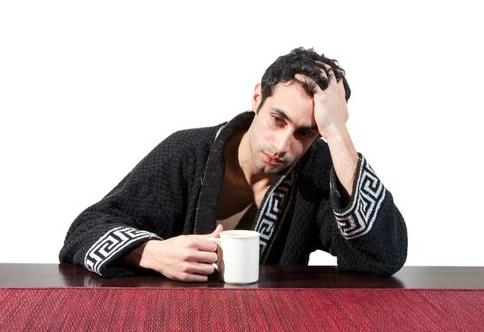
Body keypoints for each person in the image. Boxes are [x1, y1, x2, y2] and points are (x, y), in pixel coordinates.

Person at [59, 47, 407, 281]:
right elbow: (85, 230)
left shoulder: (315, 173)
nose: (283, 145)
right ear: (258, 98)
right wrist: (149, 252)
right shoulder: (188, 151)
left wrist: (337, 131)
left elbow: (383, 256)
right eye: (277, 119)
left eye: (305, 133)